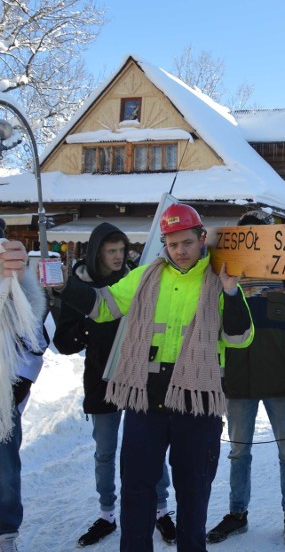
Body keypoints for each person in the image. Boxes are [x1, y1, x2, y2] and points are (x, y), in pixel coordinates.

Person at [56, 203, 254, 552]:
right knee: (136, 489)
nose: (179, 251)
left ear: (201, 238)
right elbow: (104, 307)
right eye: (172, 244)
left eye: (187, 243)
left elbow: (240, 337)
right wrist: (65, 285)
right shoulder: (146, 276)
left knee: (194, 492)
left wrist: (231, 292)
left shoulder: (221, 279)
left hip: (196, 400)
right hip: (145, 396)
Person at [53, 222, 175, 547]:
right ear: (97, 253)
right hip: (100, 380)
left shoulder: (136, 279)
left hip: (139, 377)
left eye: (121, 249)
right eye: (111, 251)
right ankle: (107, 514)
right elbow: (63, 340)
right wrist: (90, 326)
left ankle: (161, 510)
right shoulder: (81, 286)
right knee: (105, 452)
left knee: (150, 447)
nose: (118, 256)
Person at [206, 210, 285, 547]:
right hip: (238, 380)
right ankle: (237, 514)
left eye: (260, 233)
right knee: (239, 453)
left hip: (280, 379)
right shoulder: (223, 271)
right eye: (248, 234)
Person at [0, 232, 48, 552]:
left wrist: (20, 384)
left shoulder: (12, 269)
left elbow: (35, 337)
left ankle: (5, 536)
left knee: (4, 471)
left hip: (3, 395)